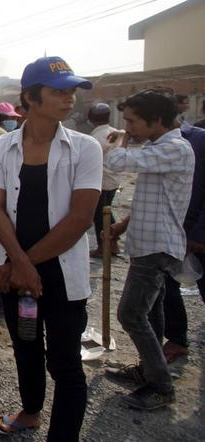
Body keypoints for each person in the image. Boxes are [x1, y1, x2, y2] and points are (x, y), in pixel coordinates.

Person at [0, 56, 101, 440]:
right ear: (30, 98)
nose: (69, 99)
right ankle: (31, 411)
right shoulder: (0, 149)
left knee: (66, 362)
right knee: (26, 346)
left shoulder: (85, 149)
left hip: (62, 275)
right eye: (58, 91)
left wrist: (22, 264)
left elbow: (80, 218)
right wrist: (18, 263)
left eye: (72, 91)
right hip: (18, 271)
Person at [105, 90, 194, 410]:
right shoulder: (160, 147)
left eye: (132, 121)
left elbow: (116, 161)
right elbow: (154, 198)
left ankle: (161, 386)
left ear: (156, 120)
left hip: (157, 245)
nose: (128, 126)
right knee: (151, 313)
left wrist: (124, 139)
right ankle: (148, 370)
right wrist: (123, 226)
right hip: (148, 242)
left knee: (129, 313)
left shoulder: (175, 148)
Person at [162, 120, 205, 363]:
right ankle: (177, 339)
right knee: (168, 287)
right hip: (174, 232)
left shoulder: (199, 140)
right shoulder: (157, 145)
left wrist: (199, 234)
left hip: (196, 233)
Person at [86, 102, 122, 257]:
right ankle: (113, 243)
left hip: (101, 181)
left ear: (91, 119)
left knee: (100, 216)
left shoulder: (95, 138)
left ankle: (104, 247)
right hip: (113, 180)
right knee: (106, 212)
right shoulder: (116, 132)